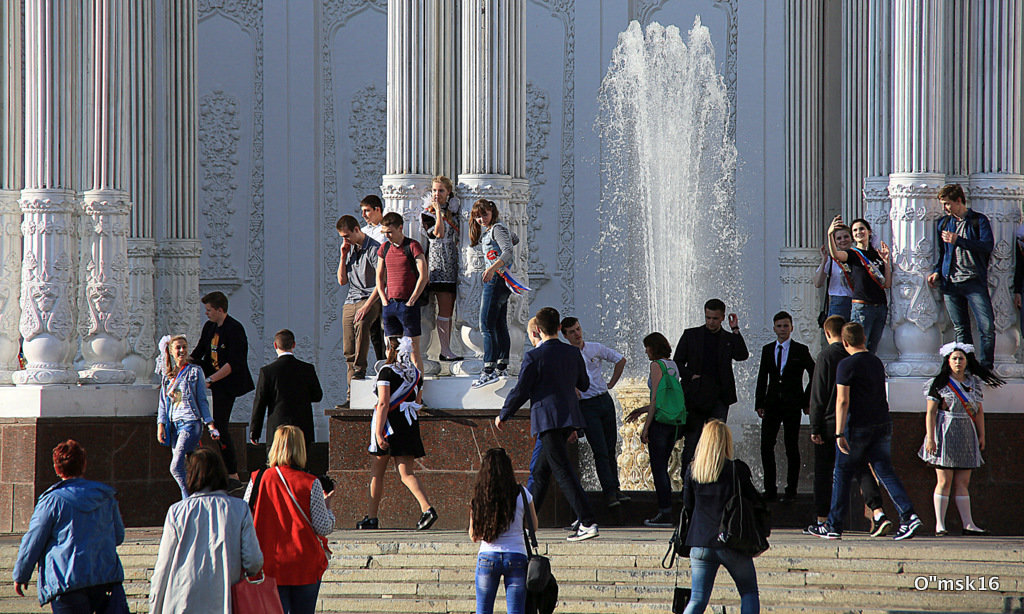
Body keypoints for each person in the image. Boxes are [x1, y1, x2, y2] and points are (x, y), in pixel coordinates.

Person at [807, 322, 922, 541]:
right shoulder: (876, 362)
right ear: (863, 339)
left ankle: (833, 525)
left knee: (841, 473)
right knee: (885, 471)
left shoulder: (846, 364)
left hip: (856, 426)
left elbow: (842, 401)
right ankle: (909, 515)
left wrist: (839, 433)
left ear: (845, 341)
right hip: (881, 423)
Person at [496, 307, 597, 542]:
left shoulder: (534, 357)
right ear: (560, 328)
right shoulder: (572, 353)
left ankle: (588, 521)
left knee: (561, 471)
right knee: (540, 472)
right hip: (568, 419)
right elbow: (583, 384)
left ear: (538, 330)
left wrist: (504, 413)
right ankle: (526, 524)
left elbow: (522, 389)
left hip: (547, 420)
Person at [13, 440, 129, 614]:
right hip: (105, 580)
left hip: (66, 582)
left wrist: (21, 574)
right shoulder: (105, 496)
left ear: (56, 468)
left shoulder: (52, 501)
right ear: (83, 464)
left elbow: (34, 540)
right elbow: (118, 536)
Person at [149, 448, 263, 614]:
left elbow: (163, 566)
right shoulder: (239, 509)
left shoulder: (177, 512)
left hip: (182, 601)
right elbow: (253, 561)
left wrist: (155, 607)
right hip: (224, 601)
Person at [807, 316, 890, 536]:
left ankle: (824, 519)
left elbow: (818, 395)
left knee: (826, 472)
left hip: (830, 424)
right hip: (856, 422)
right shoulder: (855, 355)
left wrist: (814, 427)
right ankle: (878, 511)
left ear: (827, 333)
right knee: (862, 468)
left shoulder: (826, 356)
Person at [245, 426, 334, 614]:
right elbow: (323, 527)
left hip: (269, 562)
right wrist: (328, 507)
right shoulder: (310, 482)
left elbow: (245, 517)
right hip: (305, 563)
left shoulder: (257, 479)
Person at [918, 343, 1004, 536]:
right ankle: (940, 524)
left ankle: (968, 524)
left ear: (967, 361)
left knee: (963, 481)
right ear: (948, 361)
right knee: (944, 480)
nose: (958, 362)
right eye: (954, 358)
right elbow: (931, 413)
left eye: (961, 358)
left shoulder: (973, 383)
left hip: (966, 431)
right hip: (945, 431)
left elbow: (979, 411)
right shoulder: (939, 383)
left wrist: (982, 435)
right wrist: (930, 438)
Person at [356, 336, 437, 530]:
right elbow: (418, 403)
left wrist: (378, 434)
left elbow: (383, 403)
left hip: (388, 426)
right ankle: (427, 509)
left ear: (389, 351)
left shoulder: (386, 371)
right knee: (407, 474)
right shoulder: (416, 373)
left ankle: (372, 517)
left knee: (377, 473)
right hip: (409, 424)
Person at [681, 420, 760, 614]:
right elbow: (755, 501)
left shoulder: (693, 471)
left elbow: (687, 506)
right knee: (749, 592)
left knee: (697, 600)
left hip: (700, 542)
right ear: (726, 442)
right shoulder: (736, 470)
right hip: (731, 541)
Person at [560, 316, 629, 508]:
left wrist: (612, 383)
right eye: (572, 332)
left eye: (578, 329)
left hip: (604, 401)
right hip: (586, 406)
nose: (577, 334)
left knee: (610, 446)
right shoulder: (566, 355)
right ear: (565, 335)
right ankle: (609, 493)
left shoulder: (595, 348)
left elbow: (620, 360)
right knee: (599, 449)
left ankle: (616, 488)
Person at [926, 184, 996, 369]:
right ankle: (967, 367)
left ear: (959, 201)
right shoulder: (944, 223)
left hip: (974, 280)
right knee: (960, 328)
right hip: (951, 283)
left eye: (948, 204)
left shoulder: (978, 220)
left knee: (986, 326)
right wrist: (937, 271)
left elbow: (987, 246)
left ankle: (987, 366)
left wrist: (959, 240)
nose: (945, 208)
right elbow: (942, 253)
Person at [672, 298, 749, 465]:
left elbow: (742, 355)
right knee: (692, 441)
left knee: (716, 440)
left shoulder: (728, 338)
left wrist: (735, 329)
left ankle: (713, 479)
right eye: (708, 317)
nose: (711, 322)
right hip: (695, 396)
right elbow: (677, 362)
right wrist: (690, 376)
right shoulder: (691, 335)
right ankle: (688, 483)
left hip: (720, 397)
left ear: (722, 318)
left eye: (715, 318)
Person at [191, 291, 255, 484]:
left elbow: (233, 364)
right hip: (211, 377)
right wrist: (183, 365)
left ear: (220, 310)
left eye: (209, 310)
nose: (207, 313)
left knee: (220, 424)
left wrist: (210, 380)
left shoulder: (235, 329)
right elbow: (199, 351)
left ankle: (232, 471)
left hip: (226, 383)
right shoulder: (210, 327)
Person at [623, 332, 683, 528]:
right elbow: (665, 400)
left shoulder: (656, 365)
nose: (645, 351)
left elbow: (656, 399)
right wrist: (640, 409)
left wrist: (645, 427)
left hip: (659, 423)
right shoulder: (673, 365)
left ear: (654, 347)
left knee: (658, 469)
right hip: (673, 422)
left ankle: (665, 513)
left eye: (647, 347)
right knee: (662, 467)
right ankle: (667, 511)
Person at [469, 448, 539, 614]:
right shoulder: (522, 493)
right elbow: (533, 526)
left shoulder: (479, 497)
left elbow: (474, 536)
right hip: (517, 556)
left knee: (483, 610)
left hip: (487, 557)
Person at [754, 311, 814, 502]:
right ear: (774, 328)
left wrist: (806, 400)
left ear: (791, 327)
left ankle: (791, 490)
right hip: (771, 404)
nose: (782, 329)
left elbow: (815, 373)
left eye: (785, 326)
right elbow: (762, 377)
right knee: (766, 446)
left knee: (791, 446)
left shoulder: (800, 350)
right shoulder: (767, 349)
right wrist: (759, 402)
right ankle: (770, 488)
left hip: (792, 404)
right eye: (779, 326)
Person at [157, 333, 219, 499]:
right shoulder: (167, 375)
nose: (182, 350)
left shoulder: (195, 371)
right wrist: (161, 425)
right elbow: (163, 403)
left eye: (184, 347)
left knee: (176, 467)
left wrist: (210, 424)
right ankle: (199, 496)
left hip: (191, 423)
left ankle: (189, 499)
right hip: (174, 425)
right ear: (171, 351)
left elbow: (201, 400)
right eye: (178, 348)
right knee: (189, 466)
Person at [469, 199, 521, 388]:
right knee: (499, 324)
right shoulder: (494, 230)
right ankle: (501, 365)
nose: (481, 219)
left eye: (484, 214)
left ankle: (488, 369)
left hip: (497, 278)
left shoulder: (496, 228)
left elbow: (507, 252)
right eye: (477, 215)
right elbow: (514, 239)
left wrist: (492, 268)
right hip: (501, 279)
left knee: (486, 325)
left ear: (492, 213)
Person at [368, 211, 428, 374]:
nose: (387, 236)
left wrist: (412, 300)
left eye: (390, 232)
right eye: (385, 232)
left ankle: (418, 391)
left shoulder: (412, 246)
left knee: (414, 350)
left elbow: (423, 275)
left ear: (400, 228)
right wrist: (384, 299)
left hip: (407, 304)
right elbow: (379, 277)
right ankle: (395, 387)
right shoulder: (384, 248)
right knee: (391, 350)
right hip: (390, 304)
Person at [249, 329, 324, 456]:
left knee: (277, 465)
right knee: (300, 467)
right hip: (302, 428)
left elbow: (260, 403)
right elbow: (317, 396)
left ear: (275, 345)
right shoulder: (307, 369)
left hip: (277, 427)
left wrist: (254, 432)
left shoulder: (267, 372)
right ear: (294, 345)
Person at [826, 215, 892, 354]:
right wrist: (830, 235)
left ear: (868, 231)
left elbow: (887, 284)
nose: (858, 232)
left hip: (880, 306)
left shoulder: (876, 254)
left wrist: (886, 262)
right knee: (859, 347)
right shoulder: (852, 254)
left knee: (872, 349)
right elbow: (836, 255)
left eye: (861, 229)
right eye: (855, 230)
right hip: (862, 306)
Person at [337, 214, 382, 406]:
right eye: (342, 237)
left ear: (357, 229)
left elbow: (382, 284)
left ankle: (360, 369)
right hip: (351, 299)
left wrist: (366, 306)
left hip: (370, 298)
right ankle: (351, 395)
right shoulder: (350, 249)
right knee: (348, 348)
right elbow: (342, 280)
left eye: (347, 235)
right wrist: (343, 255)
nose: (345, 240)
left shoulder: (374, 248)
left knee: (362, 324)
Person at [422, 175, 462, 361]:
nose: (437, 194)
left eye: (441, 191)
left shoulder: (455, 211)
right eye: (435, 190)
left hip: (453, 261)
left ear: (448, 193)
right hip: (439, 264)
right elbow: (438, 233)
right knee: (444, 306)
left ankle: (448, 347)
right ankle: (444, 350)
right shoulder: (428, 213)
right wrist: (438, 211)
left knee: (451, 307)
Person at [359, 195, 387, 364]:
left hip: (387, 280)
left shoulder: (385, 230)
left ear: (378, 210)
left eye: (367, 210)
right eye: (363, 211)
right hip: (370, 283)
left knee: (388, 324)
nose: (364, 215)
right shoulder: (364, 232)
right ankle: (380, 361)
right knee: (374, 327)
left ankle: (392, 360)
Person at [813, 225, 854, 321]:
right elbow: (818, 283)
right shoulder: (832, 260)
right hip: (838, 301)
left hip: (857, 301)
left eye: (846, 237)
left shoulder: (858, 256)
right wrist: (824, 260)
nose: (843, 240)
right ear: (834, 242)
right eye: (839, 238)